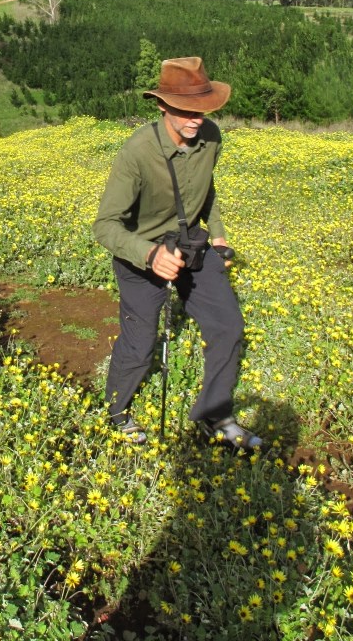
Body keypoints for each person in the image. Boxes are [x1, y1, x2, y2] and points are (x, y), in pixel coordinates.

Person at [92, 56, 261, 450]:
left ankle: (214, 416)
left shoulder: (212, 137)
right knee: (140, 345)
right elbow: (105, 225)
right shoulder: (137, 152)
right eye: (185, 110)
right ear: (162, 106)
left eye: (202, 108)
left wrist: (218, 234)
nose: (196, 119)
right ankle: (115, 413)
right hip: (141, 256)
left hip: (191, 246)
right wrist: (150, 255)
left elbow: (206, 189)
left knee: (228, 326)